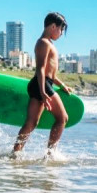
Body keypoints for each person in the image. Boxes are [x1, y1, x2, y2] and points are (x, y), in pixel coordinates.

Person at [13, 12, 72, 154]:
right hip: (42, 84)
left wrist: (62, 85)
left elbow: (50, 73)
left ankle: (16, 153)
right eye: (61, 29)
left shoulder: (47, 43)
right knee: (62, 118)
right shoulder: (43, 43)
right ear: (53, 26)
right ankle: (51, 154)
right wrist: (44, 92)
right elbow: (40, 68)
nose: (61, 33)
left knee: (32, 122)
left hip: (44, 83)